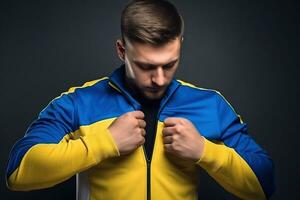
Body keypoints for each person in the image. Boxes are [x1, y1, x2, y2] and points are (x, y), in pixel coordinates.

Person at [6, 0, 275, 199]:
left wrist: (205, 151)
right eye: (146, 66)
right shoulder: (79, 102)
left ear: (180, 44)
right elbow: (18, 172)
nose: (159, 78)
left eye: (169, 64)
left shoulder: (210, 105)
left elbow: (264, 185)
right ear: (122, 51)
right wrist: (104, 143)